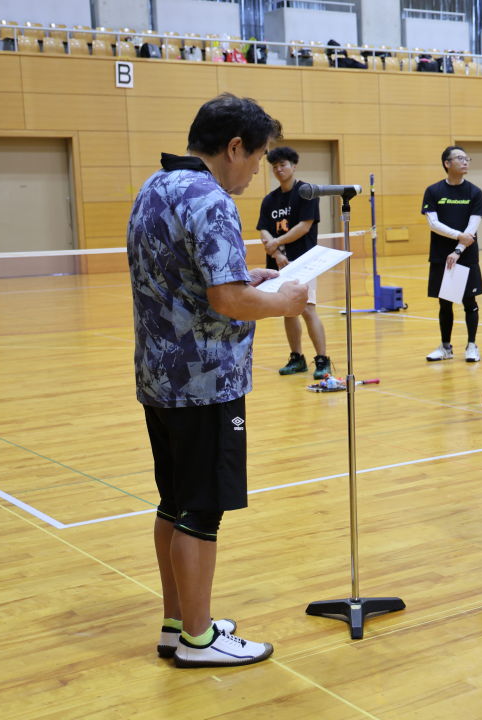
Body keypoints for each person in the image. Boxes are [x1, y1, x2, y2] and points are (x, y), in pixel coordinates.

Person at [128, 93, 308, 667]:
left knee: (174, 503)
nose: (257, 172)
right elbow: (227, 300)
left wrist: (244, 279)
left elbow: (192, 279)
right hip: (205, 381)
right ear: (234, 147)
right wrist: (283, 302)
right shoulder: (210, 198)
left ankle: (177, 622)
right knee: (202, 511)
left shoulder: (155, 186)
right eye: (255, 159)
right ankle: (199, 639)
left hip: (160, 376)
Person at [257, 146, 333, 378]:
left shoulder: (306, 192)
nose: (279, 169)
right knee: (288, 311)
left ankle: (322, 360)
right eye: (275, 166)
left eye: (283, 165)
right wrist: (277, 254)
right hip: (279, 264)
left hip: (304, 262)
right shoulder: (269, 200)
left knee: (308, 309)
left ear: (293, 166)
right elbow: (263, 230)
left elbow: (304, 226)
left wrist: (277, 242)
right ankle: (297, 358)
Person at [420, 146, 482, 361]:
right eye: (459, 158)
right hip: (442, 255)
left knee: (470, 302)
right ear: (447, 164)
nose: (465, 161)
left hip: (466, 255)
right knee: (445, 303)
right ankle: (446, 347)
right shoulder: (434, 191)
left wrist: (458, 249)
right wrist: (458, 236)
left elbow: (472, 226)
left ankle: (472, 345)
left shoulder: (474, 192)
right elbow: (433, 223)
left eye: (466, 158)